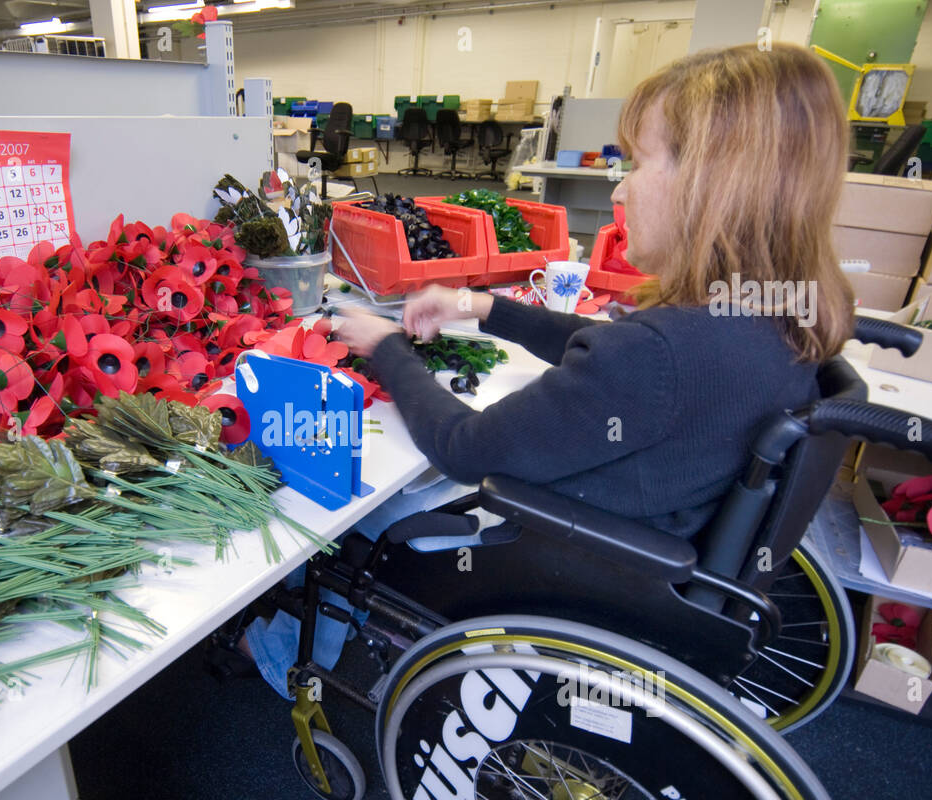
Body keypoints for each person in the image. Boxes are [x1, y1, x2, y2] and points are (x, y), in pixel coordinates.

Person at [228, 43, 855, 697]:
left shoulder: (658, 353)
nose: (619, 188)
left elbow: (463, 448)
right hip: (659, 554)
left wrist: (385, 344)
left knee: (367, 507)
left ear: (712, 184)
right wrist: (483, 306)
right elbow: (614, 346)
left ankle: (285, 655)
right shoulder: (770, 316)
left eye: (639, 162)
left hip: (570, 560)